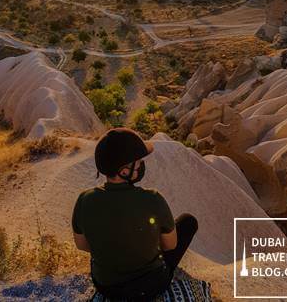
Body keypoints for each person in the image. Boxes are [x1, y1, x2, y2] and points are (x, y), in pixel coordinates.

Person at [71, 128, 198, 301]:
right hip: (150, 285)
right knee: (188, 222)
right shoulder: (153, 199)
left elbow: (82, 245)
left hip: (106, 286)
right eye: (137, 162)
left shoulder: (84, 200)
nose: (141, 165)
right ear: (124, 171)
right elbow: (170, 245)